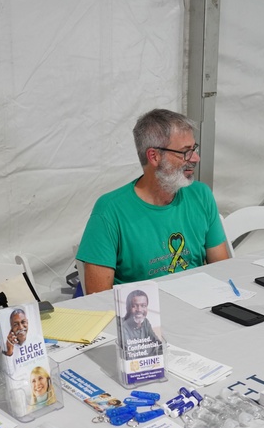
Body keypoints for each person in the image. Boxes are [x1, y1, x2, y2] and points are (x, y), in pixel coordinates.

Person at [77, 108, 229, 293]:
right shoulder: (110, 210)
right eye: (185, 152)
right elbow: (98, 298)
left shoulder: (201, 194)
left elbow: (222, 272)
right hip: (145, 316)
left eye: (194, 148)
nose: (195, 158)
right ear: (154, 156)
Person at [118, 288, 162, 357]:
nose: (139, 310)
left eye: (143, 306)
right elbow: (131, 354)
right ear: (127, 308)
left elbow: (157, 343)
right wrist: (151, 349)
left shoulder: (145, 322)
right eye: (134, 306)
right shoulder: (122, 325)